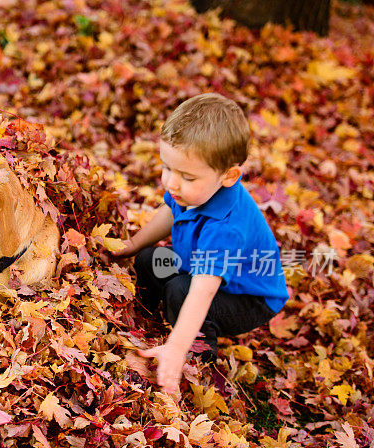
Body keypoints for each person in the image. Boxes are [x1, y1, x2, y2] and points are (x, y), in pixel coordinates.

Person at [112, 93, 289, 393]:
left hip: (247, 296)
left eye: (186, 176)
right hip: (197, 264)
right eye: (167, 168)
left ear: (229, 176)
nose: (171, 183)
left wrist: (176, 349)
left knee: (181, 290)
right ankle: (150, 318)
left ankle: (198, 352)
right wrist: (131, 244)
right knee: (148, 259)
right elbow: (170, 211)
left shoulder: (226, 227)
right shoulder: (191, 192)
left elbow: (203, 291)